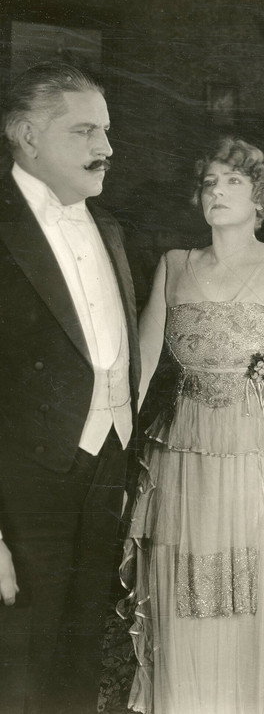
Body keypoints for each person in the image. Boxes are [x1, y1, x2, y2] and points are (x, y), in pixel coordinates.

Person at [119, 136, 264, 714]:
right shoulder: (174, 266)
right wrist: (114, 452)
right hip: (185, 445)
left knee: (261, 580)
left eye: (234, 182)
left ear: (261, 198)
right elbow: (140, 366)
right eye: (209, 184)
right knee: (192, 583)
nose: (217, 192)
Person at [0, 62, 140, 714]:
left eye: (105, 131)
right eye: (84, 131)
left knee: (80, 659)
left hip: (104, 467)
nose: (105, 147)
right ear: (27, 135)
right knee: (19, 670)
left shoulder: (109, 229)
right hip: (20, 494)